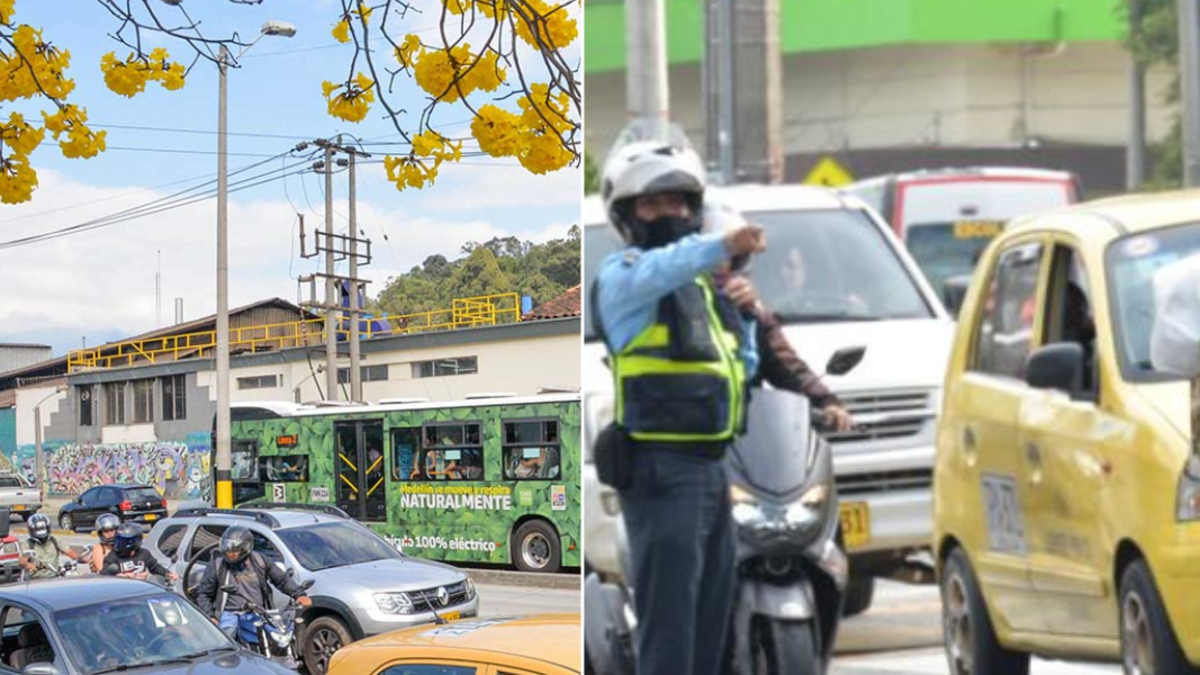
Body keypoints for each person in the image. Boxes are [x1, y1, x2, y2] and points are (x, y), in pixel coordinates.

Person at [592, 124, 764, 675]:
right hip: (661, 472)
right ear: (627, 214)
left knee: (713, 628)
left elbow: (741, 369)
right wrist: (721, 245)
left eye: (677, 201)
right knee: (670, 630)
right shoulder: (624, 277)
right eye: (652, 203)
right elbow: (663, 266)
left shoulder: (703, 291)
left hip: (713, 470)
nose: (668, 212)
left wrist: (746, 316)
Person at [704, 200, 855, 431]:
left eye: (729, 256)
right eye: (711, 256)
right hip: (677, 435)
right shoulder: (667, 302)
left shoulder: (751, 312)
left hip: (739, 439)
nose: (719, 266)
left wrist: (825, 402)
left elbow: (784, 363)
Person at [194, 526, 312, 642]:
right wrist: (210, 616)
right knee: (226, 638)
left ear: (245, 548)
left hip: (258, 612)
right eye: (228, 551)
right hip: (230, 613)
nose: (230, 555)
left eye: (234, 552)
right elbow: (203, 593)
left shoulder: (260, 560)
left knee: (275, 638)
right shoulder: (217, 565)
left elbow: (281, 579)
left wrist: (298, 594)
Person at [101, 522, 178, 582]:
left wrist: (169, 574)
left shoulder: (144, 553)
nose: (121, 544)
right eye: (119, 540)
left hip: (141, 589)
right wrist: (121, 576)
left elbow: (155, 567)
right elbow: (104, 574)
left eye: (124, 541)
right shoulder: (113, 556)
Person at [21, 513, 79, 579]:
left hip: (53, 577)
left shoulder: (54, 540)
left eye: (43, 528)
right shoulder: (28, 544)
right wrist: (28, 564)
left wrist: (83, 559)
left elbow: (70, 553)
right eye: (38, 529)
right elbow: (22, 561)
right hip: (35, 579)